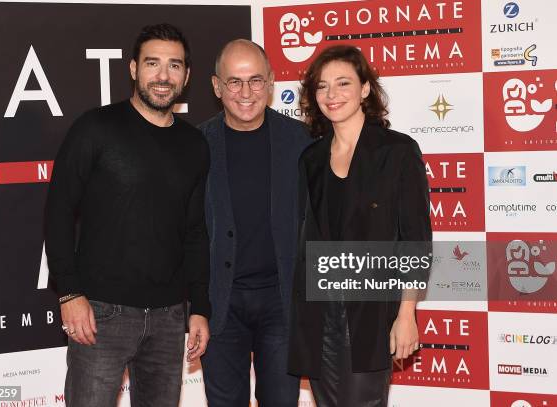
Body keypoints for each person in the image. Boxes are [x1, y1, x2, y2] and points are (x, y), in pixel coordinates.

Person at [44, 23, 210, 407]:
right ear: (134, 69)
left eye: (174, 65)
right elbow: (58, 210)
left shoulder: (194, 144)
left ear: (186, 76)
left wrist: (200, 307)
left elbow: (195, 231)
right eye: (153, 64)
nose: (163, 76)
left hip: (170, 318)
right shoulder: (95, 128)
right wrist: (69, 292)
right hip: (101, 314)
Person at [287, 45, 432, 406]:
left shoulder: (396, 151)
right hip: (318, 314)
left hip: (371, 311)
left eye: (343, 83)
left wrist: (407, 313)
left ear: (365, 89)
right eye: (322, 86)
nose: (331, 95)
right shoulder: (312, 158)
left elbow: (415, 239)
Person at [199, 39, 312, 407]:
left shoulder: (302, 141)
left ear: (271, 82)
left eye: (256, 81)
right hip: (220, 304)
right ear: (217, 86)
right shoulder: (196, 145)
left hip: (282, 301)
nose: (245, 92)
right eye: (234, 81)